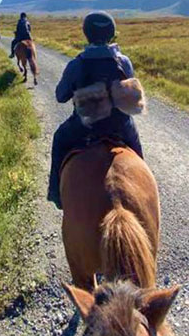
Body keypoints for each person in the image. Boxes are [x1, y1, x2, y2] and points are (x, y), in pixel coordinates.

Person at [48, 11, 143, 209]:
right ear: (111, 33)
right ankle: (143, 187)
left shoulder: (77, 64)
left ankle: (56, 194)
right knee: (136, 147)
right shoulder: (123, 61)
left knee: (59, 138)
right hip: (119, 125)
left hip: (84, 127)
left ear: (87, 33)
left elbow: (60, 96)